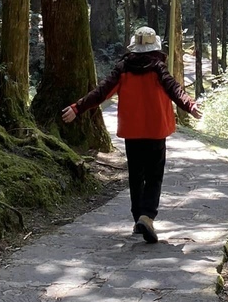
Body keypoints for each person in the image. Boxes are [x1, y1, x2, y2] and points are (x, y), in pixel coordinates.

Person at [62, 27, 202, 243]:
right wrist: (190, 105)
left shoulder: (123, 69)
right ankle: (147, 216)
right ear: (154, 46)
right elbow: (174, 89)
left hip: (132, 133)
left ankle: (138, 218)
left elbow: (101, 92)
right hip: (156, 132)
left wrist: (76, 108)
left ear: (134, 48)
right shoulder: (158, 68)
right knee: (154, 176)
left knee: (136, 176)